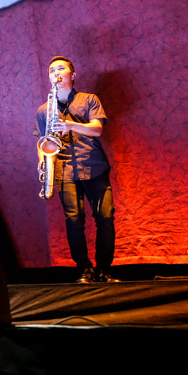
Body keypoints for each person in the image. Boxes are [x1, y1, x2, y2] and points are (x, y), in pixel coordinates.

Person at [34, 57, 117, 283]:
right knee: (73, 220)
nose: (56, 72)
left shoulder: (89, 99)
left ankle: (104, 270)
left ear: (73, 75)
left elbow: (98, 129)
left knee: (105, 217)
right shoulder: (44, 109)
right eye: (51, 70)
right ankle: (84, 269)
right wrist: (43, 158)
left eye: (61, 68)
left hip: (94, 166)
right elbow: (42, 141)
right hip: (63, 170)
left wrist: (70, 125)